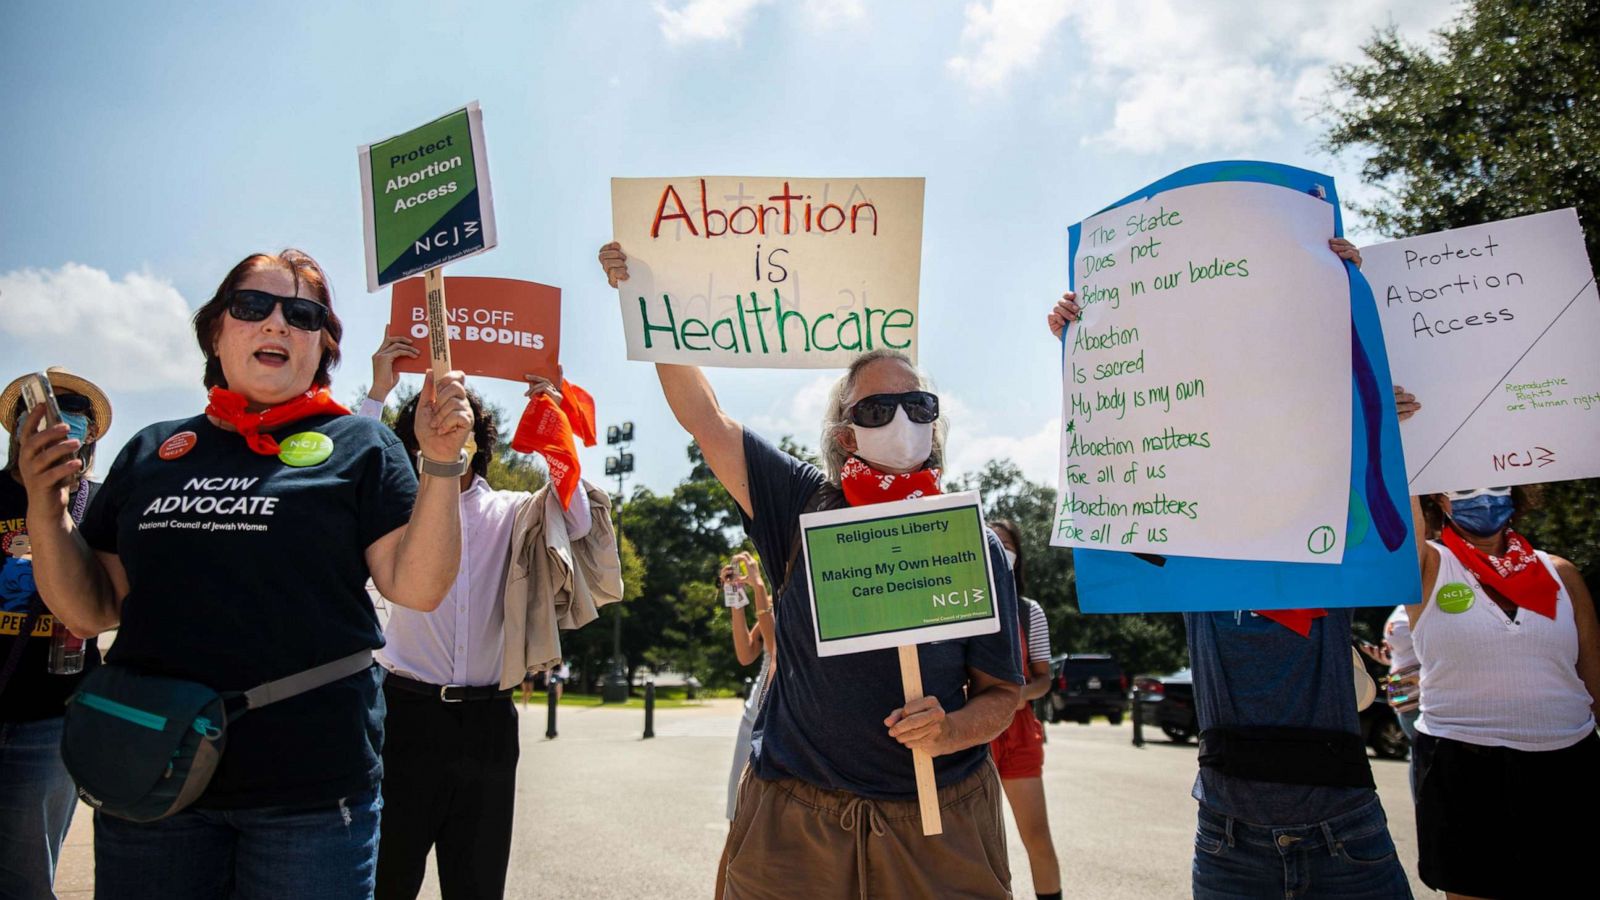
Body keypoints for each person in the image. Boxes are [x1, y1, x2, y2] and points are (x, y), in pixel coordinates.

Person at [14, 249, 473, 900]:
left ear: (324, 345)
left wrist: (441, 462)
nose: (277, 324)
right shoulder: (151, 450)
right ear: (216, 331)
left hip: (311, 793)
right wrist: (45, 503)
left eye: (303, 314)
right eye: (253, 306)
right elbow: (89, 611)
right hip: (151, 776)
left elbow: (419, 586)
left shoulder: (363, 448)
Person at [600, 243, 1023, 899]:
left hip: (939, 824)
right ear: (845, 434)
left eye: (919, 406)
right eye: (876, 410)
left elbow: (1001, 696)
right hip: (795, 827)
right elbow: (705, 417)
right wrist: (648, 303)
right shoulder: (799, 507)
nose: (901, 421)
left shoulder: (973, 542)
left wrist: (950, 729)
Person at [1048, 237, 1414, 900]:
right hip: (1228, 841)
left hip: (1347, 833)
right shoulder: (1189, 537)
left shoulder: (1330, 525)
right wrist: (1086, 342)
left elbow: (1382, 497)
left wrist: (1353, 312)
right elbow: (1115, 466)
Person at [359, 334, 616, 900]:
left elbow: (574, 518)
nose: (450, 421)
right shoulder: (391, 508)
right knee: (384, 883)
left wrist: (552, 417)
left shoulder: (513, 512)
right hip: (403, 718)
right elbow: (350, 473)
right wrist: (378, 391)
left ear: (479, 438)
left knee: (477, 888)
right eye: (434, 413)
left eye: (462, 416)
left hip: (489, 724)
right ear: (414, 436)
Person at [1404, 481, 1600, 899]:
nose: (1484, 496)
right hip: (1461, 764)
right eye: (1465, 487)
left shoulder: (1560, 573)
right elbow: (1398, 519)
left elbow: (1594, 675)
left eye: (1496, 485)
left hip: (1565, 765)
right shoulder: (1426, 565)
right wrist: (1398, 436)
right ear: (1438, 498)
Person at [0, 367, 111, 900]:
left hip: (53, 718)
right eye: (40, 421)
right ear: (19, 434)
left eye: (71, 423)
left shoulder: (104, 504)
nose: (54, 433)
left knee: (24, 879)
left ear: (86, 440)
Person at [987, 519, 1061, 900]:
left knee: (1036, 836)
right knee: (978, 845)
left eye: (1006, 544)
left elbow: (1044, 679)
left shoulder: (1030, 612)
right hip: (973, 736)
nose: (999, 549)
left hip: (1018, 733)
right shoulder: (960, 608)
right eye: (990, 541)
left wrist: (1020, 695)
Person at [720, 550, 773, 821]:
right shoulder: (771, 601)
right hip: (755, 710)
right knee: (739, 808)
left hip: (783, 712)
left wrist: (759, 587)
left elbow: (777, 649)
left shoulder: (791, 599)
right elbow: (746, 653)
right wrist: (736, 600)